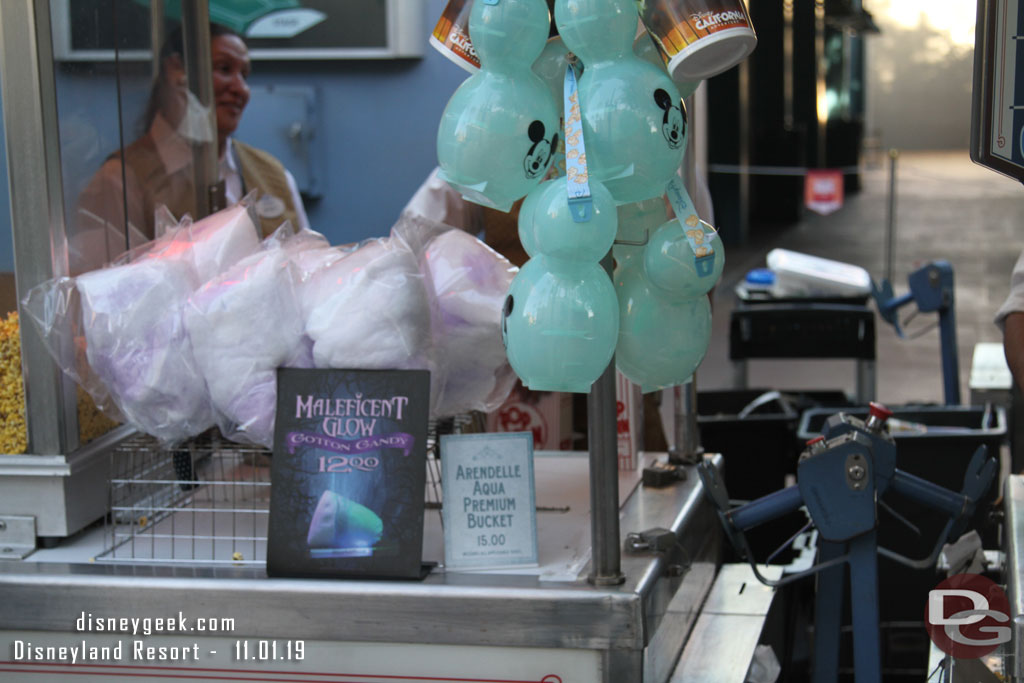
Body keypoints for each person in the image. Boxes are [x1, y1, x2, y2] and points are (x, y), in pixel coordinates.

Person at [72, 23, 309, 273]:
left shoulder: (273, 175)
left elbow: (305, 276)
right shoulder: (120, 180)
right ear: (176, 73)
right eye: (224, 69)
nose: (240, 88)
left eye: (244, 75)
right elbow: (106, 296)